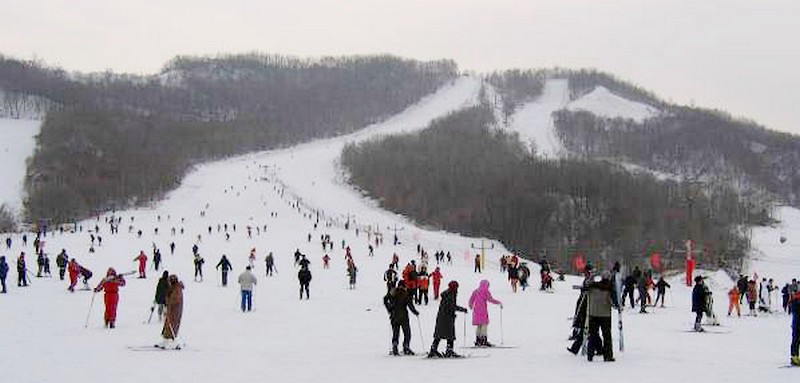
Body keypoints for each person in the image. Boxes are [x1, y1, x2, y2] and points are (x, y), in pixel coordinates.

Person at [428, 281, 468, 358]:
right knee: (450, 335)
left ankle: (433, 350)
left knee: (439, 334)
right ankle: (449, 350)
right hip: (447, 318)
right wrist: (462, 309)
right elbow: (451, 307)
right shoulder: (451, 294)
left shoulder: (447, 294)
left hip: (442, 317)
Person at [586, 271, 618, 362]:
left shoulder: (593, 286)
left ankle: (590, 354)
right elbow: (614, 302)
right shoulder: (610, 288)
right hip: (605, 315)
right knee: (607, 336)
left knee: (592, 334)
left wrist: (590, 278)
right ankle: (607, 355)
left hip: (593, 313)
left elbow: (585, 288)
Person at [383, 280, 419, 355]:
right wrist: (415, 312)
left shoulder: (393, 292)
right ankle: (406, 347)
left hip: (394, 316)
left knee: (396, 332)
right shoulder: (406, 294)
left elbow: (385, 299)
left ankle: (395, 346)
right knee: (407, 333)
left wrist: (389, 308)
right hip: (403, 317)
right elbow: (410, 305)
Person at [468, 279, 502, 347]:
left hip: (476, 311)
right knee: (484, 326)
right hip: (483, 310)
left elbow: (471, 299)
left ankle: (478, 340)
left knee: (479, 326)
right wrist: (499, 302)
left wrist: (471, 306)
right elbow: (490, 299)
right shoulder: (486, 291)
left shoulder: (476, 291)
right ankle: (484, 340)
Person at [160, 274, 184, 349]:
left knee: (172, 325)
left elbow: (174, 300)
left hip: (175, 310)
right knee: (168, 324)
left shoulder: (177, 289)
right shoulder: (173, 288)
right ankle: (166, 340)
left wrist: (168, 300)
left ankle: (171, 341)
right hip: (171, 309)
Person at [790, 288, 800, 366]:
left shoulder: (795, 299)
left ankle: (794, 356)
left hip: (796, 323)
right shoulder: (796, 299)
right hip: (797, 323)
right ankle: (794, 357)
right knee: (796, 339)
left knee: (795, 340)